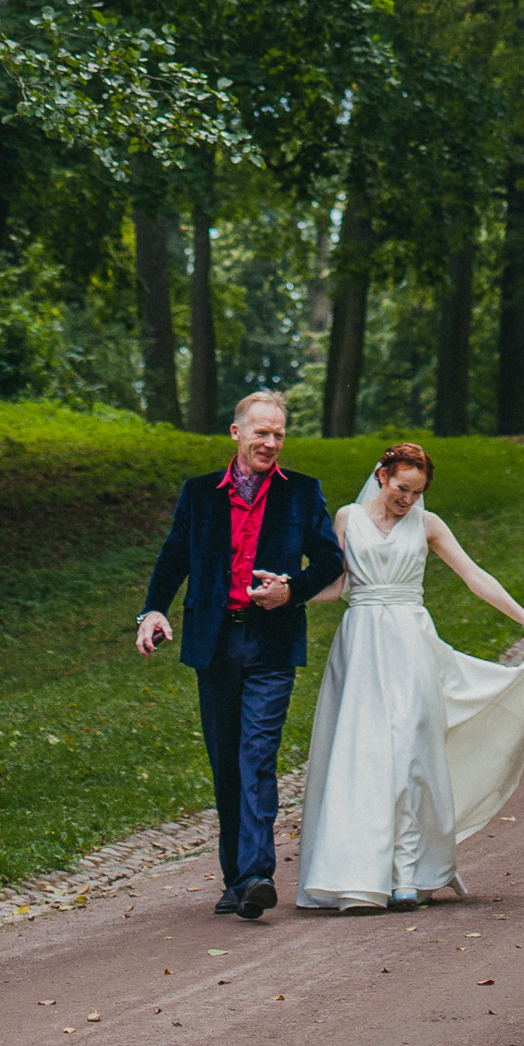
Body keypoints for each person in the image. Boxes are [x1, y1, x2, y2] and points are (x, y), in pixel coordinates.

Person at [294, 439, 524, 913]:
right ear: (382, 476)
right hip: (362, 643)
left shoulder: (428, 525)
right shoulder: (348, 519)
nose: (407, 499)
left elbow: (475, 577)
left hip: (411, 642)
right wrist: (285, 594)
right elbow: (333, 586)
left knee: (411, 749)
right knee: (363, 752)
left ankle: (408, 874)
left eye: (416, 492)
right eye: (401, 488)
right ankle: (356, 874)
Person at [136, 388, 343, 919]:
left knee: (257, 756)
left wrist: (290, 591)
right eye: (261, 432)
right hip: (215, 642)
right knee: (226, 761)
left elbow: (329, 560)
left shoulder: (301, 492)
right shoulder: (201, 493)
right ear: (237, 433)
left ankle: (256, 875)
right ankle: (235, 880)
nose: (270, 442)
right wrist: (153, 610)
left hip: (270, 642)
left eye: (278, 434)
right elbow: (173, 556)